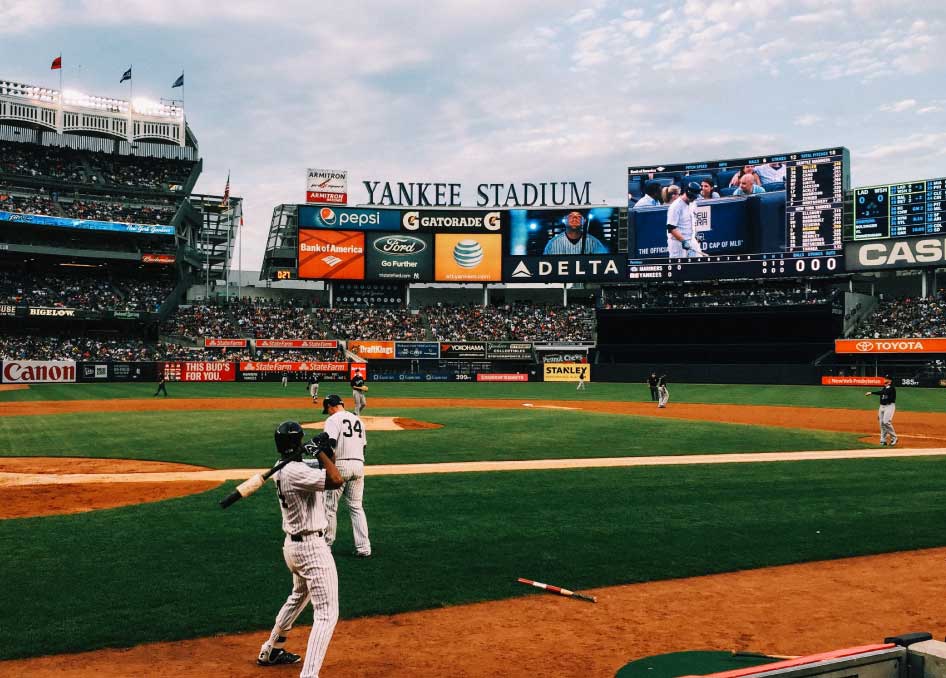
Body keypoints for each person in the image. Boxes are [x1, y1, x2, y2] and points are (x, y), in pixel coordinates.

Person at [257, 421, 343, 673]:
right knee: (326, 614)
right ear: (297, 443)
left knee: (299, 596)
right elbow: (336, 479)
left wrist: (325, 451)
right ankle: (309, 674)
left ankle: (271, 649)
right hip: (311, 550)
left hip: (294, 548)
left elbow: (325, 467)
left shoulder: (285, 467)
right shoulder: (296, 472)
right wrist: (318, 452)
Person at [321, 395, 371, 558]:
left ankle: (326, 546)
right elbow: (364, 447)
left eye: (327, 409)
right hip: (359, 465)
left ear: (331, 406)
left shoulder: (333, 420)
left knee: (330, 507)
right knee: (356, 507)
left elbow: (330, 446)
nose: (328, 412)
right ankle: (364, 548)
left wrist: (330, 467)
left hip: (340, 465)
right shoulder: (358, 420)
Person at [542, 210, 609, 255]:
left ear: (584, 221)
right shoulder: (553, 244)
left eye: (578, 216)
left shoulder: (594, 243)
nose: (574, 218)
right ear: (565, 220)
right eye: (571, 216)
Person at [666, 182, 704, 258]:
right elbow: (671, 228)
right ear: (687, 193)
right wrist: (683, 241)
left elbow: (692, 221)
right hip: (677, 243)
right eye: (692, 197)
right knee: (679, 264)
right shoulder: (675, 206)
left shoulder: (693, 203)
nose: (693, 199)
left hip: (691, 240)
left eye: (695, 197)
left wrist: (695, 234)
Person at [865, 376, 897, 446]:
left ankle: (894, 438)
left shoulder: (892, 388)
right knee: (881, 423)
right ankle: (883, 440)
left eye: (887, 379)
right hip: (882, 407)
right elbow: (883, 393)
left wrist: (871, 392)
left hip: (889, 406)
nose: (885, 380)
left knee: (886, 422)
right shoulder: (885, 388)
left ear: (890, 381)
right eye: (885, 379)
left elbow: (883, 393)